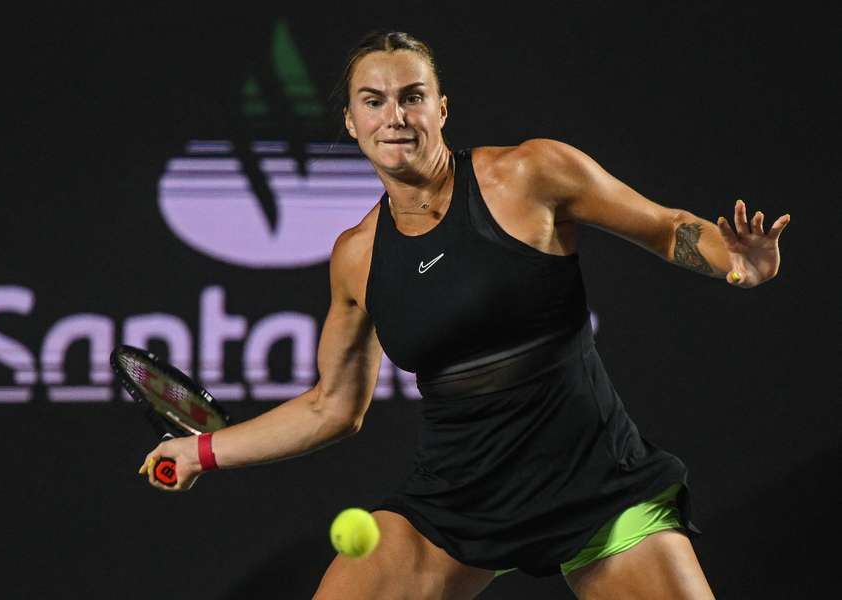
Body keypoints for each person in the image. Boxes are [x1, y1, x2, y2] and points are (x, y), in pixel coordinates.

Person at [140, 31, 790, 599]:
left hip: (595, 478)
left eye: (412, 96)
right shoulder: (356, 258)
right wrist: (202, 451)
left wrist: (734, 260)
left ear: (441, 109)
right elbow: (331, 407)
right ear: (350, 122)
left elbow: (666, 227)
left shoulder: (532, 174)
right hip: (458, 497)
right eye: (374, 101)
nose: (394, 116)